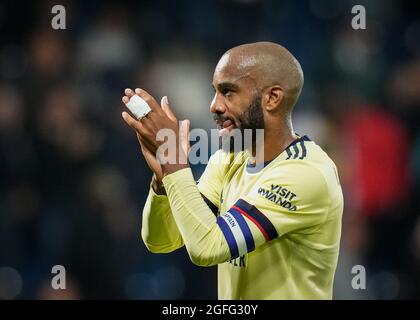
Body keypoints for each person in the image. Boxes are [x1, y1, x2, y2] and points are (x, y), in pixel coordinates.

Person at [121, 42, 343, 299]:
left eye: (228, 92)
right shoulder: (229, 159)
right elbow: (161, 240)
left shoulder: (305, 173)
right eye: (215, 92)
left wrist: (175, 162)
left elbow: (207, 248)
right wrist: (163, 179)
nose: (214, 105)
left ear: (272, 98)